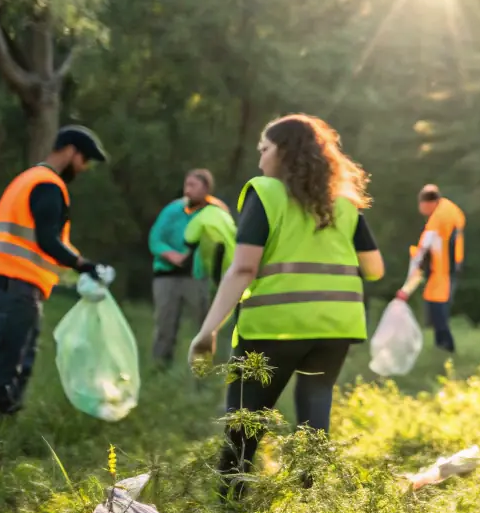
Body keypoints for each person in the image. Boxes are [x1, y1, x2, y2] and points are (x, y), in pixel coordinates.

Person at [187, 115, 384, 486]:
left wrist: (207, 330)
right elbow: (374, 268)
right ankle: (311, 504)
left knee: (244, 419)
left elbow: (244, 268)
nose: (260, 159)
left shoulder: (265, 192)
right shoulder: (345, 204)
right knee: (315, 415)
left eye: (265, 149)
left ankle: (230, 508)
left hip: (273, 326)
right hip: (335, 326)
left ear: (284, 153)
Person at [0, 125, 113, 429]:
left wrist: (82, 267)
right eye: (84, 159)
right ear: (72, 151)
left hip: (0, 285)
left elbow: (45, 246)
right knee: (5, 368)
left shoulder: (28, 179)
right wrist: (84, 265)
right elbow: (47, 241)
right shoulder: (49, 185)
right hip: (11, 288)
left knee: (14, 365)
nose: (84, 168)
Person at [148, 169, 232, 368]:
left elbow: (226, 239)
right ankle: (159, 367)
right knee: (165, 325)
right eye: (186, 184)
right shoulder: (173, 209)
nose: (187, 190)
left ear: (206, 189)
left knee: (204, 325)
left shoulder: (216, 212)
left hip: (199, 277)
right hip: (167, 275)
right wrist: (170, 254)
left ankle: (202, 370)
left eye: (193, 185)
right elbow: (155, 238)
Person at [396, 185, 465, 352]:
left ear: (428, 203)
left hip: (442, 274)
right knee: (438, 313)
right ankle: (442, 349)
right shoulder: (450, 211)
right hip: (448, 271)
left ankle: (446, 349)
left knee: (438, 314)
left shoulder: (438, 219)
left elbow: (421, 253)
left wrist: (407, 287)